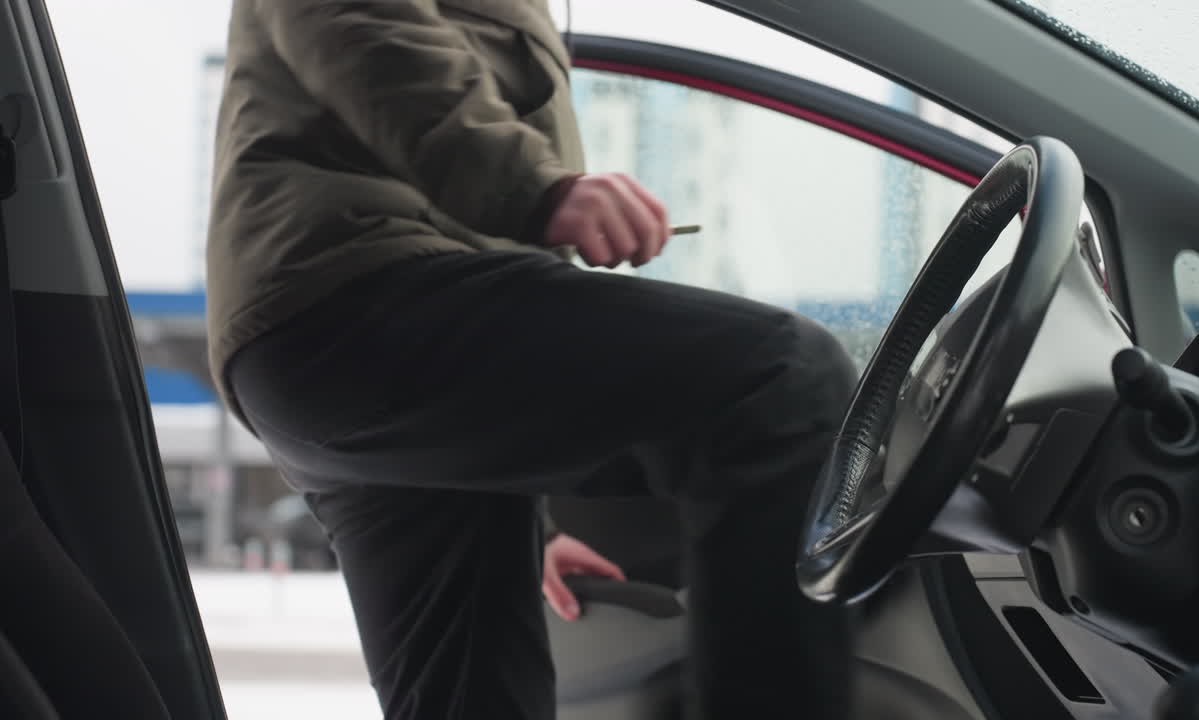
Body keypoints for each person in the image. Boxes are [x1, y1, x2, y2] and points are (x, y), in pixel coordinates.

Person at [206, 1, 858, 718]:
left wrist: (531, 514)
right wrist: (532, 187)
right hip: (359, 299)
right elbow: (358, 20)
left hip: (353, 342)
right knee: (777, 382)